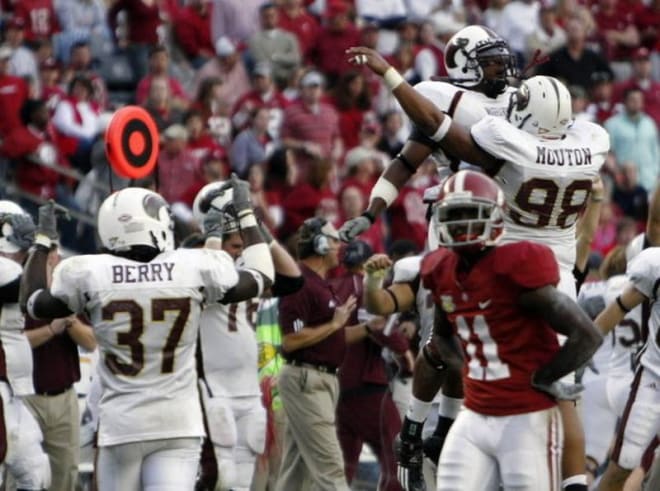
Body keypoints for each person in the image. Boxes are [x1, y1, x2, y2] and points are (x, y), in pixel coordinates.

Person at [344, 46, 610, 491]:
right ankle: (573, 482)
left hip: (508, 254)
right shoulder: (591, 144)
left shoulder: (510, 148)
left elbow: (441, 128)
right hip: (560, 263)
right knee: (561, 388)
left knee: (451, 326)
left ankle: (425, 424)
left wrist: (389, 73)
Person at [18, 177, 275, 491]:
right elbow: (261, 275)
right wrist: (246, 213)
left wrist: (43, 240)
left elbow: (31, 302)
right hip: (178, 421)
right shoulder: (193, 266)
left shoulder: (88, 271)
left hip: (122, 423)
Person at [420, 170, 603, 490]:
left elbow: (588, 334)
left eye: (470, 213)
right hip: (474, 415)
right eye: (455, 214)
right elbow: (443, 339)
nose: (462, 224)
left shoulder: (517, 265)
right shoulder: (440, 270)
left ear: (495, 216)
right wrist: (469, 371)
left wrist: (542, 379)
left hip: (525, 416)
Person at [338, 24, 518, 243]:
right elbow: (405, 163)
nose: (502, 66)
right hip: (459, 215)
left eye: (502, 59)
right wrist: (370, 214)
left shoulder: (519, 99)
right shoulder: (447, 100)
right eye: (492, 60)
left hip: (510, 215)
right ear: (465, 66)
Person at [192, 180, 302, 491]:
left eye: (245, 244)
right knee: (217, 477)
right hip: (209, 386)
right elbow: (208, 272)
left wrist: (260, 233)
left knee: (242, 478)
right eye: (236, 245)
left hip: (247, 387)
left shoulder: (252, 269)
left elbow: (292, 280)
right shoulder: (196, 258)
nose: (242, 252)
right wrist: (213, 235)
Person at [275, 217, 375, 491]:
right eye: (333, 240)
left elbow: (336, 336)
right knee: (330, 468)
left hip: (319, 380)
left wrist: (370, 328)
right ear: (319, 244)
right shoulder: (299, 284)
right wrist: (334, 323)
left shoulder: (318, 283)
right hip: (307, 380)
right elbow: (291, 340)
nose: (338, 247)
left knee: (296, 471)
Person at [329, 241, 408, 491]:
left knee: (342, 467)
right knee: (395, 457)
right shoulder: (364, 289)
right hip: (367, 385)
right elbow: (379, 327)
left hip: (336, 385)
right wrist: (405, 351)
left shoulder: (332, 286)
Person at [593, 246, 660, 491]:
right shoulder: (655, 264)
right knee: (624, 465)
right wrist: (580, 350)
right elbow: (618, 308)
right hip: (654, 379)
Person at [0, 200, 51, 490]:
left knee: (36, 472)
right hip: (1, 386)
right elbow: (32, 294)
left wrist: (39, 246)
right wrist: (40, 245)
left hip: (11, 389)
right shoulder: (4, 267)